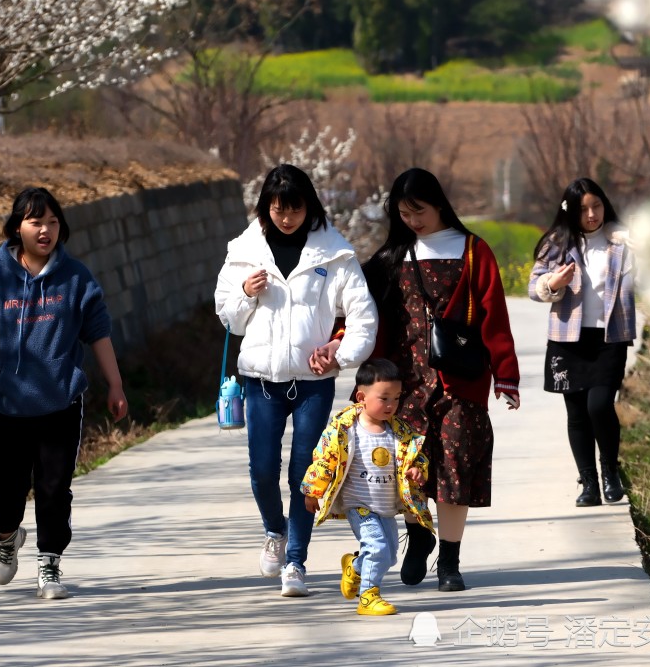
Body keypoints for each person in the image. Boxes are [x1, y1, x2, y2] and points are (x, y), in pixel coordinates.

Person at [214, 164, 377, 598]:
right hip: (261, 381)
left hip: (312, 382)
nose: (286, 217)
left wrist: (339, 354)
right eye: (277, 208)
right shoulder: (245, 251)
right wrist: (245, 293)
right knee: (262, 470)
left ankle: (296, 561)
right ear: (266, 207)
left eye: (294, 208)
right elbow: (227, 317)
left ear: (309, 206)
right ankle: (275, 530)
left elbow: (363, 315)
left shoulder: (334, 253)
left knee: (306, 471)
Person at [0, 186, 128, 600]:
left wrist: (116, 385)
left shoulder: (76, 278)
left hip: (59, 404)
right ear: (18, 226)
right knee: (3, 493)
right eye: (36, 221)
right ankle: (7, 535)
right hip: (3, 405)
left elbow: (98, 333)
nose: (45, 230)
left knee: (54, 488)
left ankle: (49, 564)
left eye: (53, 222)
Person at [363, 167, 520, 593]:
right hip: (405, 384)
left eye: (419, 211)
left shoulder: (473, 250)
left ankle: (449, 561)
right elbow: (365, 313)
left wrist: (505, 374)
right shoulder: (391, 256)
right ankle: (419, 536)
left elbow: (494, 316)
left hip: (461, 382)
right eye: (403, 213)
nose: (413, 221)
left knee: (455, 470)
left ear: (439, 204)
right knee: (411, 469)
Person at [528, 177, 636, 507]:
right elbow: (534, 288)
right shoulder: (557, 243)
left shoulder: (624, 241)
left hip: (609, 337)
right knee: (576, 415)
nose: (591, 215)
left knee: (599, 406)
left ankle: (610, 472)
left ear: (605, 204)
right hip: (567, 339)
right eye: (583, 209)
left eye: (596, 206)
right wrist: (553, 282)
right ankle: (588, 484)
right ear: (570, 211)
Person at [301, 358, 434, 616]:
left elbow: (416, 458)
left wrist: (419, 470)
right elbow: (324, 460)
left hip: (384, 506)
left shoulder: (400, 432)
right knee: (378, 548)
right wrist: (312, 489)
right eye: (384, 398)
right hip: (358, 505)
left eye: (396, 398)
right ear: (361, 396)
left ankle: (354, 567)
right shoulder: (345, 430)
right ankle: (369, 597)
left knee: (390, 555)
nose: (391, 405)